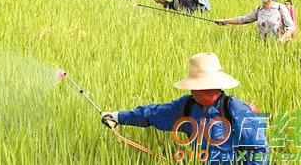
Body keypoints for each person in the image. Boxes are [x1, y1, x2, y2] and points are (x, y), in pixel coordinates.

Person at [101, 52, 269, 164]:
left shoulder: (234, 109)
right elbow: (152, 113)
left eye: (210, 87)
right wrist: (117, 117)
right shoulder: (186, 106)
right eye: (201, 87)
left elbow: (259, 149)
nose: (205, 91)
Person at [215, 0, 295, 42]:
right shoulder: (259, 10)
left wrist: (282, 39)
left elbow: (291, 27)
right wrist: (225, 21)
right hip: (263, 44)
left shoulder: (280, 8)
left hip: (280, 45)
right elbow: (244, 19)